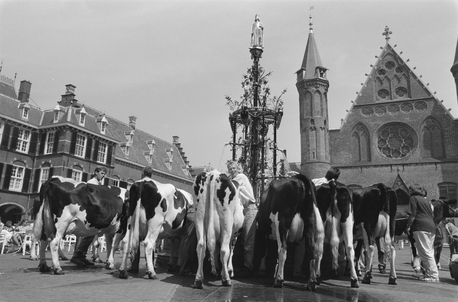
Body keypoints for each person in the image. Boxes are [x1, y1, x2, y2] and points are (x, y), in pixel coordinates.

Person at [70, 166, 107, 267]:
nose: (103, 175)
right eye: (102, 173)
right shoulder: (91, 183)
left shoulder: (100, 184)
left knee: (91, 234)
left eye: (104, 173)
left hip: (95, 211)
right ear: (96, 172)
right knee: (87, 233)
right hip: (89, 212)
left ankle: (80, 255)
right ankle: (78, 255)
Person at [226, 160, 257, 278]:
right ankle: (240, 266)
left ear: (238, 169)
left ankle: (248, 268)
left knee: (248, 240)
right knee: (241, 240)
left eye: (234, 168)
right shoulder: (236, 179)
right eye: (230, 169)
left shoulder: (241, 177)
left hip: (250, 208)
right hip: (242, 209)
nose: (232, 171)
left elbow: (230, 185)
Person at [406, 184, 439, 282]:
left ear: (412, 191)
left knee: (424, 252)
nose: (409, 192)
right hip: (431, 226)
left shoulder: (413, 199)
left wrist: (408, 226)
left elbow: (412, 214)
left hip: (420, 226)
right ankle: (428, 274)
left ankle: (433, 276)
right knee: (429, 252)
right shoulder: (427, 201)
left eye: (409, 190)